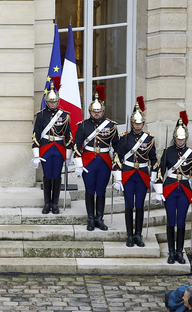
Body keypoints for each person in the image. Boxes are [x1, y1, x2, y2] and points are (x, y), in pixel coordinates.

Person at [113, 97, 156, 247]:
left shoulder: (149, 139)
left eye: (140, 123)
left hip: (143, 174)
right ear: (131, 123)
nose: (137, 125)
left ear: (143, 123)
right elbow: (117, 157)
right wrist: (118, 178)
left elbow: (154, 160)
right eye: (135, 123)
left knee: (139, 206)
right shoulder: (124, 138)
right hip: (128, 174)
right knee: (129, 205)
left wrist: (154, 178)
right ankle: (129, 235)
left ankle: (138, 234)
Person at [157, 111, 192, 264]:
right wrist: (158, 190)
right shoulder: (168, 152)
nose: (180, 142)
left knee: (181, 221)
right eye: (178, 139)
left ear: (186, 139)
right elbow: (161, 171)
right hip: (170, 187)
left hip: (185, 189)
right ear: (174, 138)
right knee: (170, 221)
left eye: (182, 139)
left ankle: (180, 252)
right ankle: (171, 252)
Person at [73, 85, 116, 231]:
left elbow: (117, 147)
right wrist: (78, 164)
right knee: (90, 190)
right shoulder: (83, 125)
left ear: (103, 111)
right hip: (88, 161)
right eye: (93, 111)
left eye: (99, 112)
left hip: (104, 161)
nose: (96, 114)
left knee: (101, 191)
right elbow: (76, 145)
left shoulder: (111, 126)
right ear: (90, 111)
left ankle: (99, 218)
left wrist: (117, 167)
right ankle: (90, 218)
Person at [32, 81, 71, 216]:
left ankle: (55, 203)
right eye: (50, 102)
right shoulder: (41, 115)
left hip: (59, 148)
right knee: (47, 176)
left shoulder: (65, 116)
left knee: (57, 176)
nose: (52, 104)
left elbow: (69, 136)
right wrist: (36, 154)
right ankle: (47, 203)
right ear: (47, 102)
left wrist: (68, 155)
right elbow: (36, 134)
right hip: (46, 148)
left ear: (57, 101)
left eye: (54, 102)